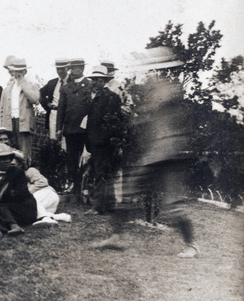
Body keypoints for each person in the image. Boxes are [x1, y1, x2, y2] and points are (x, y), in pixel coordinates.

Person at [92, 48, 200, 258]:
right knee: (129, 191)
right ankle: (117, 237)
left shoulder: (169, 88)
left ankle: (192, 245)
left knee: (172, 203)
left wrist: (142, 110)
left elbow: (161, 109)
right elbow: (149, 116)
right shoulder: (156, 86)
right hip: (155, 153)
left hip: (172, 154)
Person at [84, 66, 122, 215]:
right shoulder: (96, 98)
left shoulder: (111, 97)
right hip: (95, 142)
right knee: (103, 172)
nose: (95, 83)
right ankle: (109, 205)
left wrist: (104, 141)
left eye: (98, 80)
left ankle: (98, 207)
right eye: (93, 80)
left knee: (102, 172)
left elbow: (112, 122)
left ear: (104, 81)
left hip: (103, 142)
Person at [0, 143, 38, 237]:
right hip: (7, 211)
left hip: (25, 210)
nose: (6, 161)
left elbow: (20, 194)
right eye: (2, 158)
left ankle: (14, 226)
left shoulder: (18, 173)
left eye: (8, 158)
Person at [56, 58, 92, 195]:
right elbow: (61, 109)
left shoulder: (90, 84)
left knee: (87, 158)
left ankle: (87, 186)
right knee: (72, 159)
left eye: (77, 67)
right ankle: (75, 187)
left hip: (86, 129)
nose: (74, 70)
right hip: (70, 129)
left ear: (82, 68)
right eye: (72, 68)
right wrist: (59, 128)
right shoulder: (66, 88)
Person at [0, 58, 40, 166]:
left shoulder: (31, 85)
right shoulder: (7, 88)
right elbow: (1, 110)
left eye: (21, 71)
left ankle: (24, 177)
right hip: (9, 124)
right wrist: (0, 128)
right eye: (16, 70)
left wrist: (23, 84)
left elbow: (35, 100)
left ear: (25, 71)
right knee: (9, 153)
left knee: (24, 155)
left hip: (24, 124)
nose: (18, 73)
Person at [39, 59, 70, 141]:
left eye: (62, 69)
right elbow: (40, 93)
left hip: (67, 114)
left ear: (67, 68)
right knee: (54, 139)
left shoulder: (72, 82)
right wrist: (47, 105)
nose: (60, 71)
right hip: (54, 113)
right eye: (58, 69)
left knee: (66, 140)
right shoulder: (52, 83)